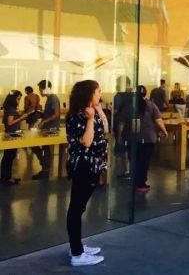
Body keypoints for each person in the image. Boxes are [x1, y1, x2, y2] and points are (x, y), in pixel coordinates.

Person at [65, 80, 108, 266]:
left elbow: (105, 129)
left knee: (79, 208)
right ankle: (77, 254)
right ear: (89, 94)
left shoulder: (91, 111)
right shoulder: (79, 115)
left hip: (93, 166)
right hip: (84, 167)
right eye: (98, 91)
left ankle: (77, 246)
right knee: (76, 209)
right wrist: (91, 119)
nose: (100, 94)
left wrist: (99, 112)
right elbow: (87, 141)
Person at [134, 86, 168, 193]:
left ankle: (136, 182)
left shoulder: (132, 105)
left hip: (135, 137)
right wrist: (164, 131)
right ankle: (141, 183)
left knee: (137, 160)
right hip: (148, 137)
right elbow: (158, 120)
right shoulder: (151, 105)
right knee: (145, 161)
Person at [32, 80, 61, 180]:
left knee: (43, 148)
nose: (40, 92)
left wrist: (44, 121)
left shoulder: (53, 98)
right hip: (47, 128)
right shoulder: (49, 99)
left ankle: (45, 168)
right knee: (43, 148)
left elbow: (56, 114)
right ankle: (45, 167)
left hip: (51, 129)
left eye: (40, 89)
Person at [1, 90, 30, 185]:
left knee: (9, 156)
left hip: (12, 134)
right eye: (18, 99)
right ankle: (6, 178)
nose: (18, 101)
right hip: (11, 135)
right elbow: (10, 123)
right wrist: (22, 117)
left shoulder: (10, 108)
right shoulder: (10, 109)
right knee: (8, 157)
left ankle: (7, 177)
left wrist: (20, 116)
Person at [112, 77, 134, 178]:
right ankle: (131, 170)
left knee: (122, 148)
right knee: (131, 147)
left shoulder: (119, 96)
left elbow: (115, 111)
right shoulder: (134, 96)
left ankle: (126, 170)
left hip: (121, 124)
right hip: (133, 124)